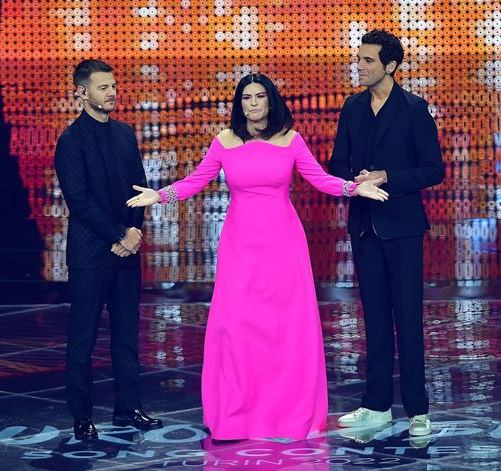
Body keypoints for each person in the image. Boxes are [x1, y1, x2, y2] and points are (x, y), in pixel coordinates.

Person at [126, 73, 388, 440]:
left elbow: (319, 179)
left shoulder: (291, 140)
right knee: (236, 328)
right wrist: (161, 195)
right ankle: (238, 416)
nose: (252, 103)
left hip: (284, 245)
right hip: (240, 246)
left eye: (259, 96)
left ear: (270, 101)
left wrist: (354, 188)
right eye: (246, 97)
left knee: (285, 329)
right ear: (240, 104)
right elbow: (195, 181)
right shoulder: (224, 142)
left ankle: (287, 415)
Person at [328, 30, 445, 437]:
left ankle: (417, 409)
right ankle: (376, 404)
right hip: (364, 226)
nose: (358, 66)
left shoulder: (414, 109)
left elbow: (434, 170)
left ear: (390, 66)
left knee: (407, 318)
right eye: (358, 59)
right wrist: (354, 181)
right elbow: (336, 162)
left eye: (367, 60)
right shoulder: (352, 107)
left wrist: (387, 177)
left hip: (403, 227)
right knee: (374, 317)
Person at [54, 59, 162, 440]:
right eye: (103, 87)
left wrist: (133, 234)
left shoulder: (124, 135)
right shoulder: (69, 141)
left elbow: (140, 189)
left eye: (113, 85)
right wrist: (119, 234)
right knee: (83, 336)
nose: (112, 92)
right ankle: (81, 415)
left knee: (127, 334)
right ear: (81, 92)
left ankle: (128, 407)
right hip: (90, 253)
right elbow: (79, 202)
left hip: (126, 250)